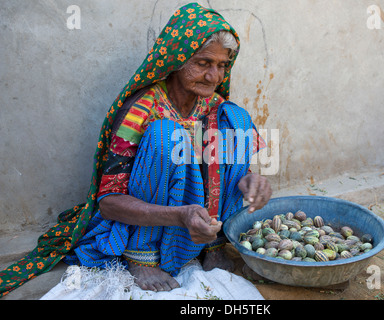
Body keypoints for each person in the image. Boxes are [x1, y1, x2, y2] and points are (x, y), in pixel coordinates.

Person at [0, 2, 271, 296]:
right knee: (166, 136)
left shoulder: (213, 106)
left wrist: (249, 182)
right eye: (203, 63)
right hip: (154, 218)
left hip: (199, 220)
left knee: (237, 118)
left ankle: (214, 244)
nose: (214, 77)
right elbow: (108, 201)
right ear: (176, 59)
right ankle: (140, 255)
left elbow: (224, 169)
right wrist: (180, 215)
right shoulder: (141, 110)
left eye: (221, 65)